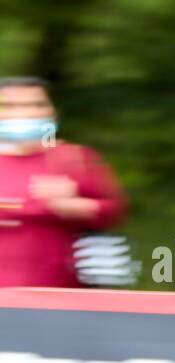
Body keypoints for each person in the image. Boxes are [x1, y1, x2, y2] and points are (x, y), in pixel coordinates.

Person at [0, 76, 127, 288]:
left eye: (36, 104)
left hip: (62, 298)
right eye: (9, 106)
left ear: (52, 112)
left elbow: (114, 211)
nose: (25, 113)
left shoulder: (73, 158)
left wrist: (74, 206)